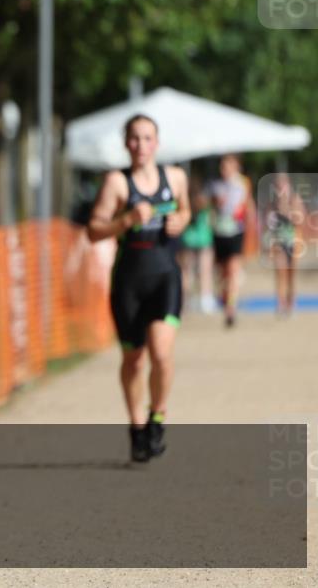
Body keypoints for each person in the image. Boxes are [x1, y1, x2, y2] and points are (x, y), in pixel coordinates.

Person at [87, 114, 190, 463]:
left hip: (165, 275)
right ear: (126, 143)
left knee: (160, 353)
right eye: (134, 138)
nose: (141, 145)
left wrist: (182, 220)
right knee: (133, 359)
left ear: (157, 143)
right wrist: (126, 220)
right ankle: (136, 427)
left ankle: (157, 416)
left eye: (147, 138)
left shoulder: (174, 177)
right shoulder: (117, 183)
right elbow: (93, 231)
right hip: (129, 279)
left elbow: (186, 210)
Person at [208, 154, 254, 328]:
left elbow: (248, 206)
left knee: (233, 270)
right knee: (223, 273)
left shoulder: (242, 183)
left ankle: (230, 309)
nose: (224, 169)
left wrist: (251, 234)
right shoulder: (215, 185)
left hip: (236, 231)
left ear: (236, 166)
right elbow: (209, 205)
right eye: (222, 166)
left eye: (228, 165)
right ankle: (225, 297)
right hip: (219, 232)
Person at [263, 173, 306, 316]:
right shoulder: (272, 204)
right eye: (278, 186)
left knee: (291, 273)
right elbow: (267, 224)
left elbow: (301, 220)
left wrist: (287, 211)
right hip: (279, 242)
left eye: (283, 185)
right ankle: (280, 303)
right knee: (280, 272)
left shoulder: (295, 200)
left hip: (294, 241)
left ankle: (291, 302)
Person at [177, 174, 217, 314]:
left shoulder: (182, 201)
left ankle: (184, 300)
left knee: (186, 272)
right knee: (204, 271)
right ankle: (205, 299)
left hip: (187, 240)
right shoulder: (203, 201)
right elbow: (211, 216)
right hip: (203, 240)